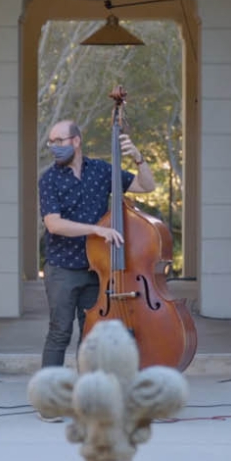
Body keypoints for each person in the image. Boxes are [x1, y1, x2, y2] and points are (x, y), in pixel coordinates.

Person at [37, 119, 156, 370]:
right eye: (51, 142)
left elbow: (147, 186)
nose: (54, 146)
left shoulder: (101, 171)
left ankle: (88, 393)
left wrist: (138, 158)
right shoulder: (49, 180)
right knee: (59, 333)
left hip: (97, 270)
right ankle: (49, 398)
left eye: (59, 141)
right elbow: (54, 224)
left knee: (91, 336)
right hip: (63, 269)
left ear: (76, 141)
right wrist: (96, 230)